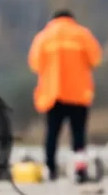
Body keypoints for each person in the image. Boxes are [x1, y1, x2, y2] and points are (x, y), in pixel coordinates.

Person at [28, 10, 102, 183]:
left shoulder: (44, 37)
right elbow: (95, 59)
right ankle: (79, 170)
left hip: (53, 93)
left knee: (52, 133)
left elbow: (34, 64)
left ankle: (50, 169)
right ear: (72, 19)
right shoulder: (82, 34)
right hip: (78, 93)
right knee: (78, 134)